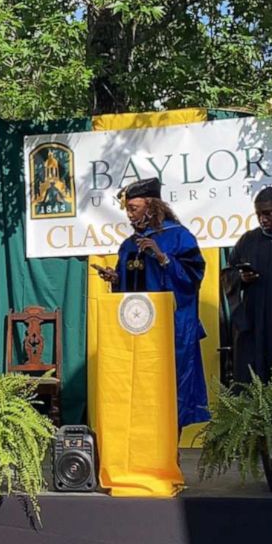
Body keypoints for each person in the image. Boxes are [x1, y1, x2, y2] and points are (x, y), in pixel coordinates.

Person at [97, 177, 209, 429]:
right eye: (127, 209)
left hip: (170, 329)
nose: (129, 214)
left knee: (170, 387)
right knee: (141, 388)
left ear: (151, 206)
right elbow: (129, 289)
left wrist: (162, 257)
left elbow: (193, 278)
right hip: (138, 330)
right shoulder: (129, 245)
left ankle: (171, 448)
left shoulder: (179, 237)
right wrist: (116, 278)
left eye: (133, 208)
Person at [226, 186, 272, 383]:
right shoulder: (249, 240)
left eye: (268, 213)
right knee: (253, 377)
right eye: (258, 214)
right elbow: (229, 272)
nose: (263, 219)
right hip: (255, 325)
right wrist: (240, 277)